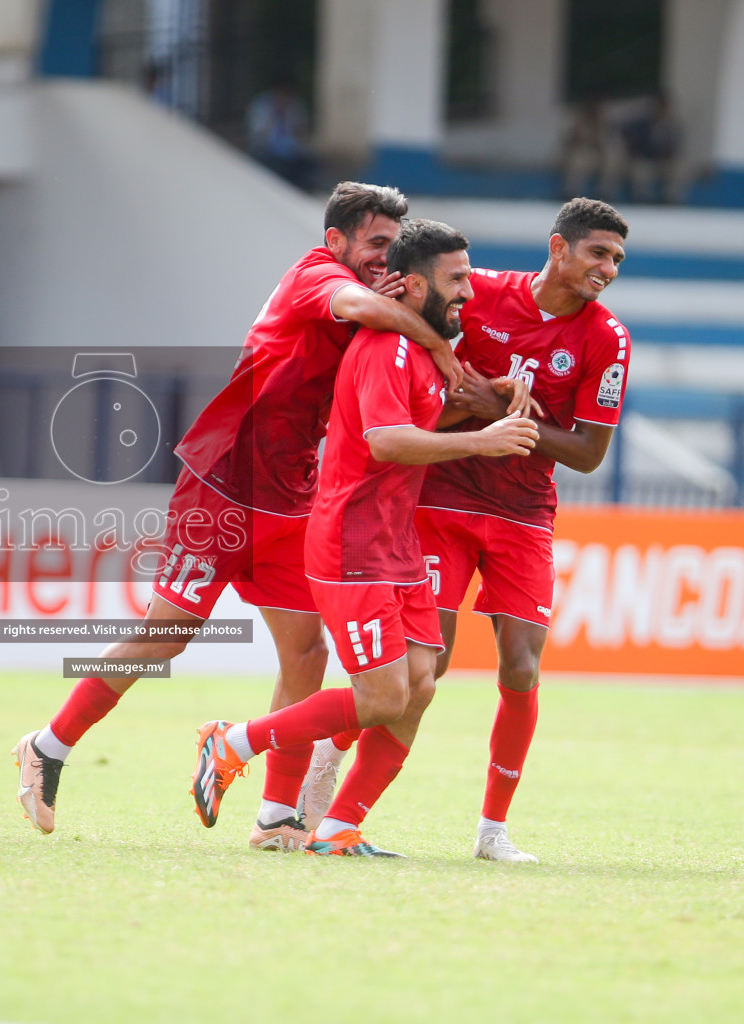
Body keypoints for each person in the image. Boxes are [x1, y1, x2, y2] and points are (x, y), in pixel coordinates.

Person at [16, 183, 479, 854]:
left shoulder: (381, 315)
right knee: (165, 639)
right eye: (375, 244)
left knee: (306, 651)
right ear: (337, 243)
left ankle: (276, 816)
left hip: (294, 497)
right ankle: (47, 746)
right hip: (224, 487)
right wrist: (437, 343)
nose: (382, 260)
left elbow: (430, 293)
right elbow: (357, 303)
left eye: (391, 249)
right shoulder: (318, 277)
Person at [188, 220, 538, 856]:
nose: (468, 292)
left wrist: (494, 399)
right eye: (456, 279)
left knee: (421, 684)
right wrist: (480, 441)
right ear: (410, 286)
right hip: (351, 543)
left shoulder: (421, 353)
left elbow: (427, 415)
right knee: (382, 697)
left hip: (393, 543)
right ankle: (234, 743)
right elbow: (385, 440)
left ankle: (339, 826)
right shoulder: (385, 347)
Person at [301, 198, 631, 864]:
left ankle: (493, 829)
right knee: (429, 666)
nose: (608, 269)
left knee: (521, 665)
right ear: (558, 248)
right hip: (444, 499)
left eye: (618, 259)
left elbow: (591, 453)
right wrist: (478, 410)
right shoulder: (480, 295)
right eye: (598, 253)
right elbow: (421, 355)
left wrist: (498, 412)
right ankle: (327, 767)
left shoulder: (607, 339)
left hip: (524, 512)